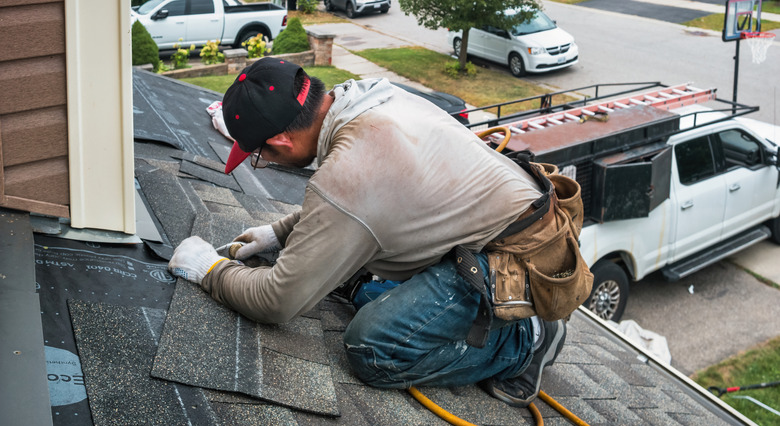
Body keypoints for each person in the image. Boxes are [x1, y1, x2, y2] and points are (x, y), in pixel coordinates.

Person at [168, 57, 566, 407]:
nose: (263, 161)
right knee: (360, 282)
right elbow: (371, 201)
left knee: (372, 347)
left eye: (260, 154)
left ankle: (525, 341)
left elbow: (276, 301)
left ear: (281, 140)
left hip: (520, 258)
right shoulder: (365, 97)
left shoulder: (350, 172)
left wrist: (209, 269)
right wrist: (279, 233)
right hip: (510, 216)